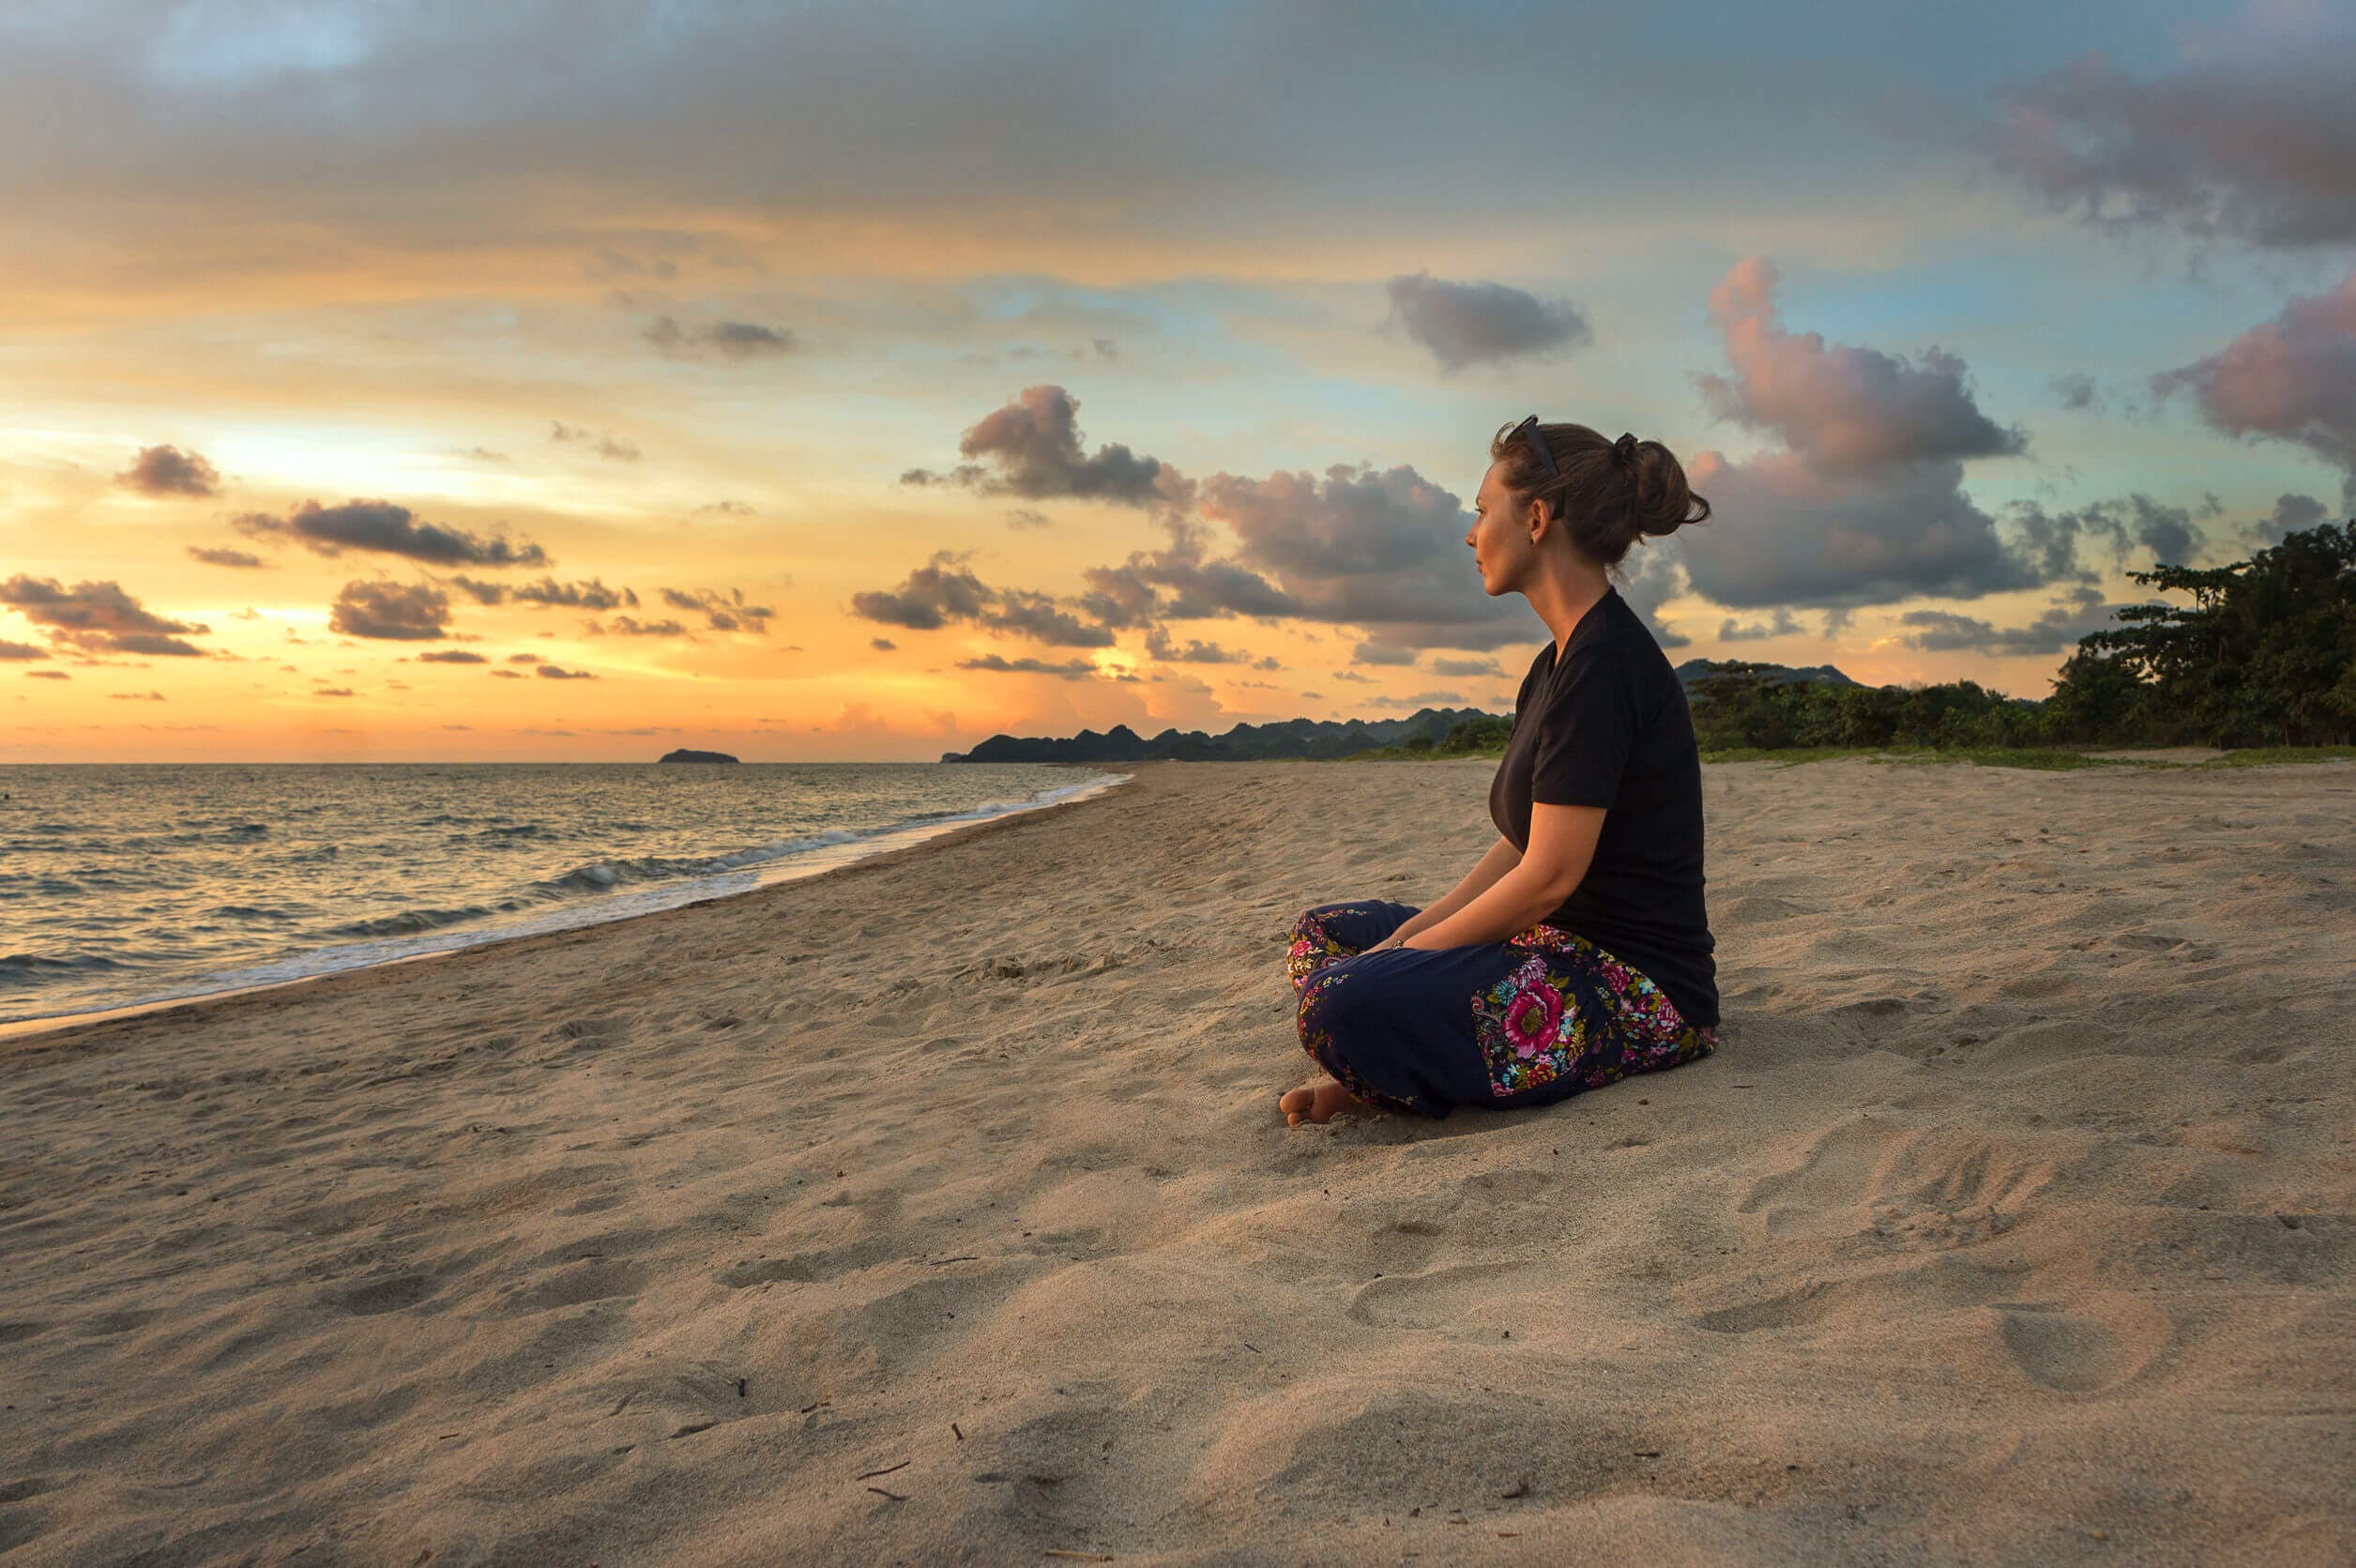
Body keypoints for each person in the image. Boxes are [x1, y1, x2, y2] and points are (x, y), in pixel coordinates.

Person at [1280, 417, 1721, 1126]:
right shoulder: (1556, 663)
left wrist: (1401, 961)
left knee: (1341, 1001)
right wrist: (1406, 939)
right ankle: (1384, 1066)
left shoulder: (1605, 663)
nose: (1470, 533)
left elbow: (1548, 876)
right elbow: (1522, 845)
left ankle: (1377, 1078)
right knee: (1325, 935)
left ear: (1537, 518)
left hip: (1630, 988)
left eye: (1483, 511)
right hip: (1544, 944)